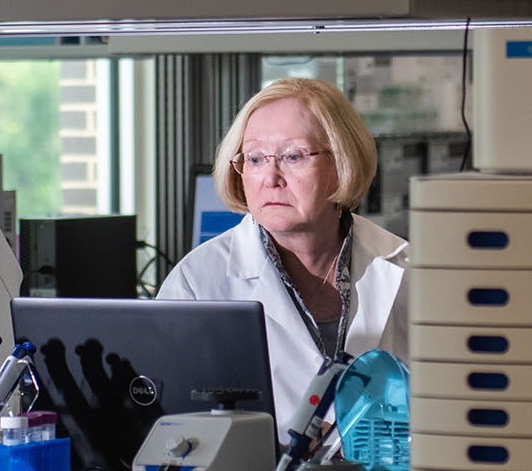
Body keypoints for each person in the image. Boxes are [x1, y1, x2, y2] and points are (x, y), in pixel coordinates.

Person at [157, 78, 409, 430]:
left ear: (342, 163)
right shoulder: (197, 282)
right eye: (256, 158)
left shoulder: (408, 270)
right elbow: (169, 425)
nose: (271, 177)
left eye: (293, 156)